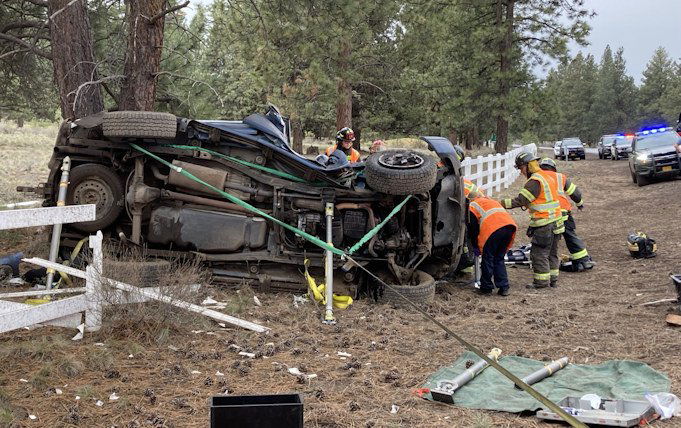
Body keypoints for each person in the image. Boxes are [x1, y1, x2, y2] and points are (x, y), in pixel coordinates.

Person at [500, 152, 564, 289]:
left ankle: (541, 282)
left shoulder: (534, 181)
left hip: (544, 223)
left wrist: (499, 203)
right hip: (556, 222)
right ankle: (553, 280)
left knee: (539, 253)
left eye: (521, 168)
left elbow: (521, 200)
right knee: (552, 253)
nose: (521, 172)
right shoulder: (546, 176)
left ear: (528, 166)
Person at [539, 158, 593, 271]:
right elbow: (576, 193)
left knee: (547, 240)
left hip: (545, 216)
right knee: (570, 236)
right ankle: (584, 260)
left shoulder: (536, 178)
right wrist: (580, 204)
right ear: (554, 168)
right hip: (563, 213)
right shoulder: (560, 177)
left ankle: (545, 263)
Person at [468, 195, 517, 296]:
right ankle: (504, 287)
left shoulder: (472, 206)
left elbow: (473, 229)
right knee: (499, 258)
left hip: (493, 229)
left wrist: (475, 245)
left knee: (488, 258)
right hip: (509, 227)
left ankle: (486, 288)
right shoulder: (490, 201)